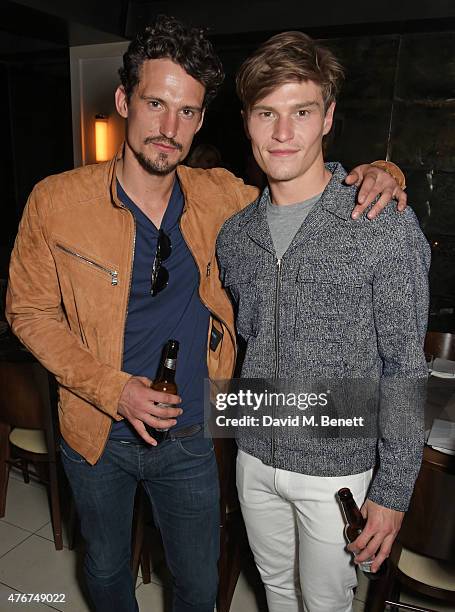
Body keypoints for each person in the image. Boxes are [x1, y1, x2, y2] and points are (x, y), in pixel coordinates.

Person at [6, 15, 407, 612]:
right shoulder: (56, 201)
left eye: (188, 111)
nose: (169, 128)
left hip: (193, 433)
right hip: (96, 434)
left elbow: (302, 187)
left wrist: (380, 172)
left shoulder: (222, 197)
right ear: (123, 100)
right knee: (107, 565)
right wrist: (114, 391)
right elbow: (28, 311)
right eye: (155, 103)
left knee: (197, 582)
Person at [216, 31, 430, 612]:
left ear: (328, 116)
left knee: (327, 603)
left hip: (338, 471)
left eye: (302, 111)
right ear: (247, 122)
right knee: (276, 591)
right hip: (254, 455)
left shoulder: (379, 222)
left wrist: (392, 491)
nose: (283, 133)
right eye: (267, 113)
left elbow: (407, 367)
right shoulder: (235, 236)